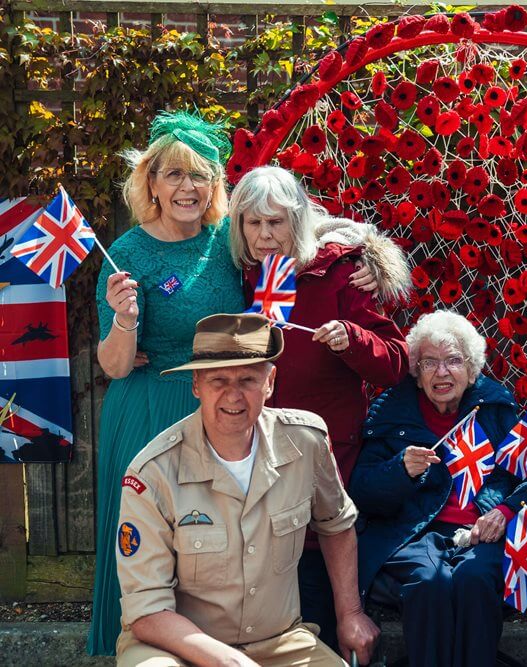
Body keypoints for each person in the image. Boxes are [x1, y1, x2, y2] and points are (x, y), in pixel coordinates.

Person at [114, 313, 378, 666]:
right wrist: (230, 662)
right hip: (175, 647)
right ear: (196, 385)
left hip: (279, 643)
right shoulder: (153, 472)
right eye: (218, 380)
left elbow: (337, 524)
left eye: (248, 379)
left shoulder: (306, 441)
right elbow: (146, 612)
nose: (233, 395)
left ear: (270, 382)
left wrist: (350, 613)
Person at [228, 164, 410, 652]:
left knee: (317, 614)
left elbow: (395, 362)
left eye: (276, 222)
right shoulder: (240, 276)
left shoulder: (339, 275)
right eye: (253, 223)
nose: (265, 235)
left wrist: (350, 339)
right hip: (252, 467)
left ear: (298, 221)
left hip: (321, 468)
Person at [90, 111, 245, 655]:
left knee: (212, 547)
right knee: (149, 547)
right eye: (174, 175)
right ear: (151, 183)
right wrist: (126, 319)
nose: (187, 187)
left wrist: (366, 255)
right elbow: (113, 365)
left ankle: (213, 653)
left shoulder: (230, 240)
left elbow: (296, 237)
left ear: (214, 184)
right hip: (149, 408)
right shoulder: (127, 254)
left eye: (199, 175)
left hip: (220, 410)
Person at [349, 310, 527, 667]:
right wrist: (400, 471)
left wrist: (505, 511)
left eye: (453, 361)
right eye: (429, 362)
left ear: (471, 368)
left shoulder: (494, 408)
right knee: (430, 582)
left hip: (484, 533)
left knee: (474, 580)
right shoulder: (392, 412)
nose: (442, 373)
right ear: (415, 370)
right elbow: (362, 491)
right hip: (411, 533)